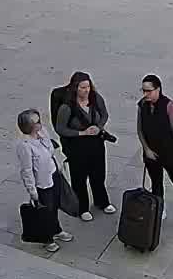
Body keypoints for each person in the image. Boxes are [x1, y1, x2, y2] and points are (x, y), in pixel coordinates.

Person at [136, 74, 173, 229]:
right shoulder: (142, 105)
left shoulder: (170, 107)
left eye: (149, 91)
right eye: (143, 91)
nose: (146, 94)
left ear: (158, 89)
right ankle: (160, 207)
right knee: (156, 182)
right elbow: (140, 130)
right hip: (152, 154)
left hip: (169, 152)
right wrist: (147, 149)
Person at [53, 72, 115, 222]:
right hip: (77, 146)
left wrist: (99, 127)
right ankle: (82, 207)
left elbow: (104, 114)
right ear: (75, 88)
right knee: (79, 178)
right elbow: (60, 128)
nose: (86, 90)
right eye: (82, 87)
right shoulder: (66, 108)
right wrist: (81, 132)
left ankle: (102, 201)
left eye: (88, 86)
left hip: (96, 143)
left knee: (99, 175)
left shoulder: (95, 98)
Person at [15, 108, 73, 251]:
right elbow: (27, 170)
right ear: (29, 126)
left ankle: (57, 230)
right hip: (42, 183)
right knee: (46, 211)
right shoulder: (25, 146)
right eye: (37, 121)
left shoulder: (43, 133)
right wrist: (32, 191)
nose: (41, 123)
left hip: (54, 175)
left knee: (55, 206)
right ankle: (47, 238)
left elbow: (51, 152)